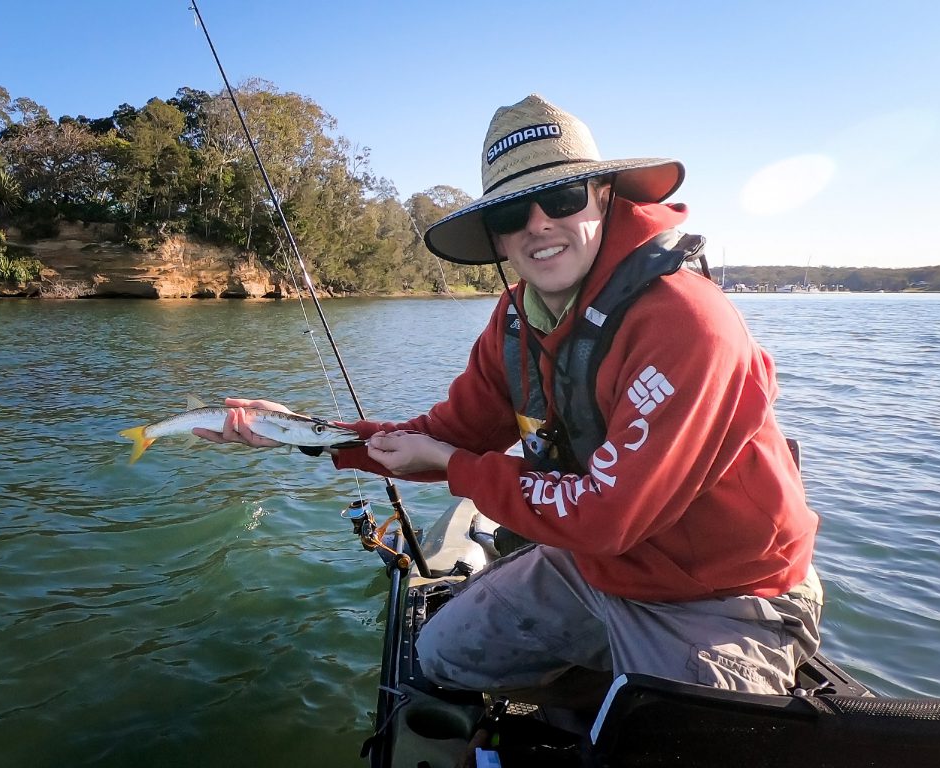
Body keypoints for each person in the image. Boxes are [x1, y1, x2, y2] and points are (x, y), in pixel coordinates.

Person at [196, 94, 822, 704]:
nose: (537, 226)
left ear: (603, 196)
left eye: (561, 197)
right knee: (439, 655)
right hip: (595, 569)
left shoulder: (687, 324)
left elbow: (604, 514)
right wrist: (302, 433)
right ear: (495, 237)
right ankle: (591, 682)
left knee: (664, 746)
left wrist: (453, 467)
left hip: (723, 594)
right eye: (511, 214)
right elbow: (450, 431)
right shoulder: (516, 319)